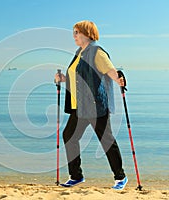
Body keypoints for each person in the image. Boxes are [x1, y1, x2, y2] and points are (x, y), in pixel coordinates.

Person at [54, 20, 127, 190]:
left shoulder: (96, 52)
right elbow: (78, 78)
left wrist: (119, 80)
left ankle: (120, 177)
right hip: (79, 107)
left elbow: (110, 70)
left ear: (87, 33)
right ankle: (76, 176)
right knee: (69, 136)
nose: (74, 36)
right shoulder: (80, 52)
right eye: (74, 32)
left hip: (95, 106)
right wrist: (63, 79)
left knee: (106, 140)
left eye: (76, 32)